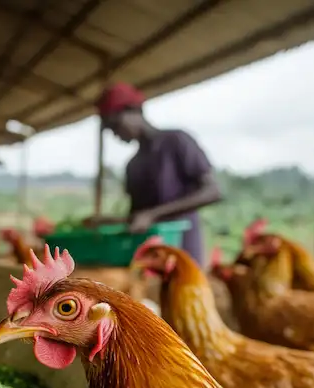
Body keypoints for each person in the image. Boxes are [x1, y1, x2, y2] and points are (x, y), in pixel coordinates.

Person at [86, 82, 221, 266]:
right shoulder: (132, 165)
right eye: (110, 130)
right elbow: (138, 218)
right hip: (150, 258)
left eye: (115, 125)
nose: (115, 134)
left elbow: (212, 191)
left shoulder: (177, 141)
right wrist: (111, 221)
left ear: (133, 111)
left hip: (182, 248)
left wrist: (152, 215)